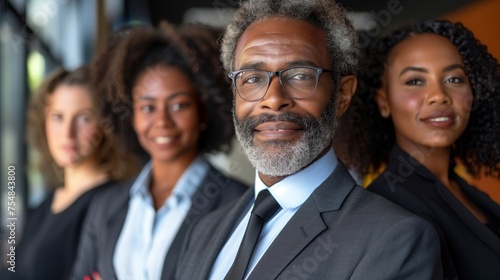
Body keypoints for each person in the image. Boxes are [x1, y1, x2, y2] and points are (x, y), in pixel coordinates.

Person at [175, 1, 443, 279]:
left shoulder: (394, 239)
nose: (274, 100)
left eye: (300, 76)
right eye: (253, 78)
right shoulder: (203, 231)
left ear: (343, 94)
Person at [71, 23, 248, 280]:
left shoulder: (238, 204)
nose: (162, 121)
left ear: (203, 112)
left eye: (178, 105)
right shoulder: (106, 205)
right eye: (148, 107)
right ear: (131, 117)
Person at [335, 19, 500, 279]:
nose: (439, 95)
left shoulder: (465, 190)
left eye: (454, 78)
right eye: (414, 81)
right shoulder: (385, 207)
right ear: (383, 101)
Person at [10, 66, 136, 280]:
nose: (67, 133)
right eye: (58, 117)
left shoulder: (115, 206)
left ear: (105, 126)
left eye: (84, 118)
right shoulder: (46, 203)